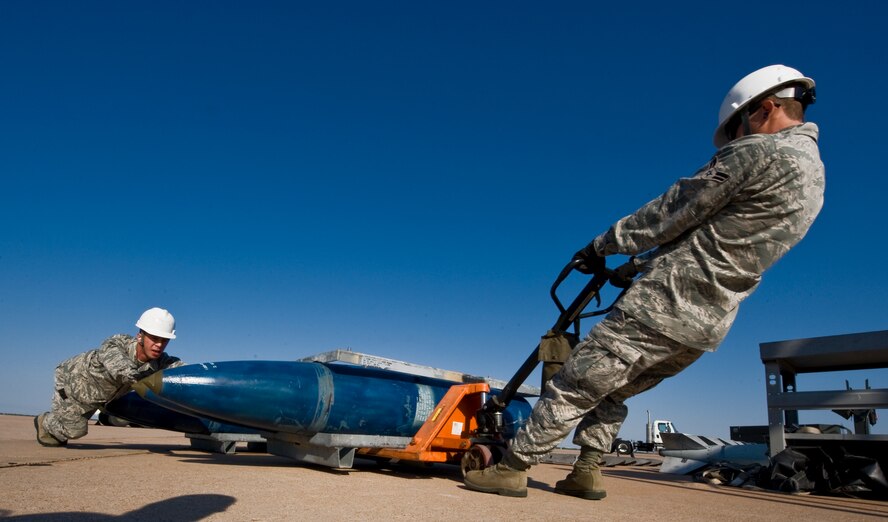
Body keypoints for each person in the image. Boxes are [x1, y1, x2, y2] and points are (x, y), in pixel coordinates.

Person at [464, 64, 824, 499]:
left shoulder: (759, 152)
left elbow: (676, 209)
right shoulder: (813, 177)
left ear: (765, 107)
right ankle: (586, 471)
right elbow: (721, 239)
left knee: (576, 381)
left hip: (663, 303)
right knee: (612, 391)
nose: (734, 139)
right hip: (707, 323)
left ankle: (512, 467)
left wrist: (603, 245)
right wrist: (634, 266)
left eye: (736, 128)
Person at [34, 307, 185, 446]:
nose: (159, 345)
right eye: (154, 338)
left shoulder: (161, 362)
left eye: (164, 340)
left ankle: (76, 419)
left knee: (130, 413)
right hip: (72, 384)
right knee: (75, 431)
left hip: (103, 396)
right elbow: (120, 367)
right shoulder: (116, 343)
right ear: (140, 336)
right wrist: (140, 380)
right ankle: (45, 421)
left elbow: (183, 370)